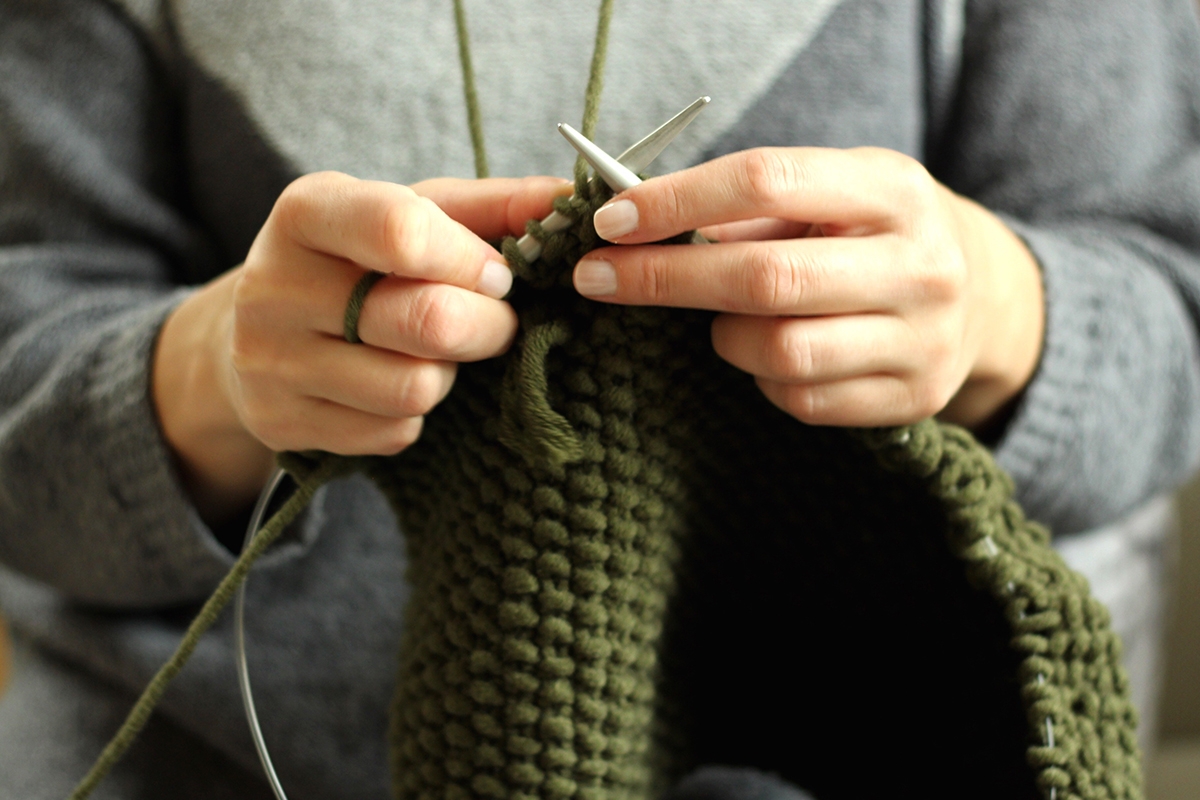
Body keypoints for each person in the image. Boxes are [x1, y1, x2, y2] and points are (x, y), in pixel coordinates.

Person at [1, 0, 1198, 797]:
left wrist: (999, 309)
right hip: (212, 755)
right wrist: (209, 372)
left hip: (860, 745)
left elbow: (1174, 301)